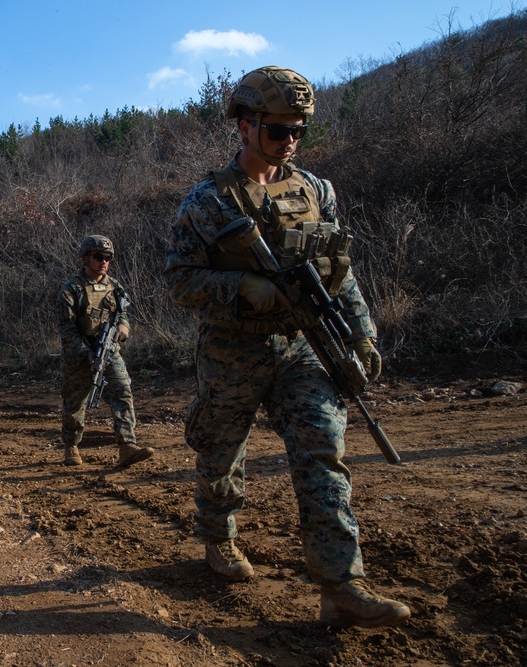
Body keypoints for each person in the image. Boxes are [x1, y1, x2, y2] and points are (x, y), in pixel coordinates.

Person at [163, 66, 410, 628]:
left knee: (324, 451)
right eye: (277, 129)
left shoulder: (316, 191)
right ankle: (219, 536)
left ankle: (342, 584)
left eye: (298, 129)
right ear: (246, 128)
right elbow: (179, 280)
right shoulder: (207, 202)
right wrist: (240, 288)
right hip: (233, 349)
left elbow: (339, 274)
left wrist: (362, 331)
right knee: (221, 450)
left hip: (303, 347)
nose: (289, 140)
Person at [57, 234, 153, 468]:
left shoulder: (115, 286)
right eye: (98, 257)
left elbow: (123, 314)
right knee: (75, 402)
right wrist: (86, 352)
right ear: (85, 258)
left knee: (122, 389)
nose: (104, 261)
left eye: (108, 257)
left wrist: (123, 327)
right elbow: (66, 328)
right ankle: (71, 445)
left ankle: (127, 446)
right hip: (79, 353)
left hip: (109, 349)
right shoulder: (73, 288)